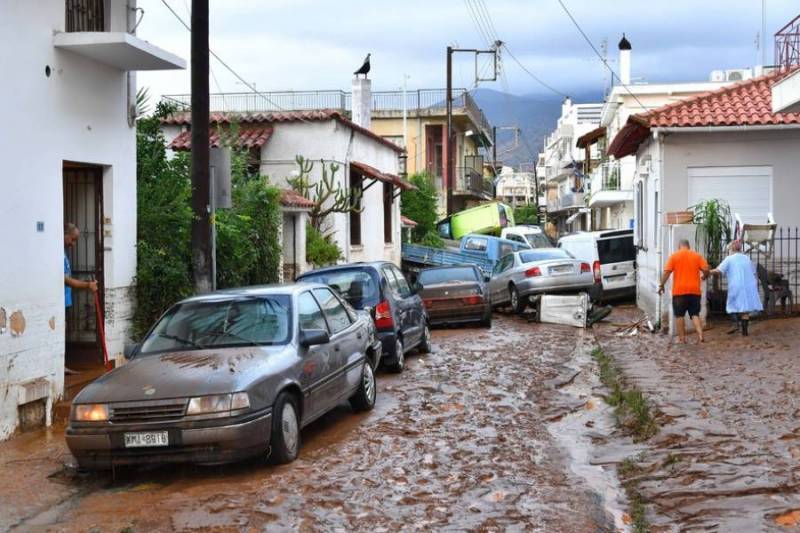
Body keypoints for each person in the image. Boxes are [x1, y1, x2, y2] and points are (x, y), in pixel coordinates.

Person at [658, 239, 710, 344]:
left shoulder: (674, 256)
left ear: (679, 246)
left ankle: (682, 339)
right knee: (695, 314)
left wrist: (661, 285)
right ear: (688, 246)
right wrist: (705, 276)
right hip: (694, 291)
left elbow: (666, 272)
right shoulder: (697, 256)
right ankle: (700, 335)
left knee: (679, 315)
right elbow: (706, 269)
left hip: (679, 292)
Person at [711, 240, 762, 336]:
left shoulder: (729, 259)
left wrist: (708, 272)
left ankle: (735, 324)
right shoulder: (747, 258)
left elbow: (718, 270)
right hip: (748, 286)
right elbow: (753, 272)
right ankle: (745, 332)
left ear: (731, 249)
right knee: (744, 309)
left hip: (736, 285)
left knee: (731, 305)